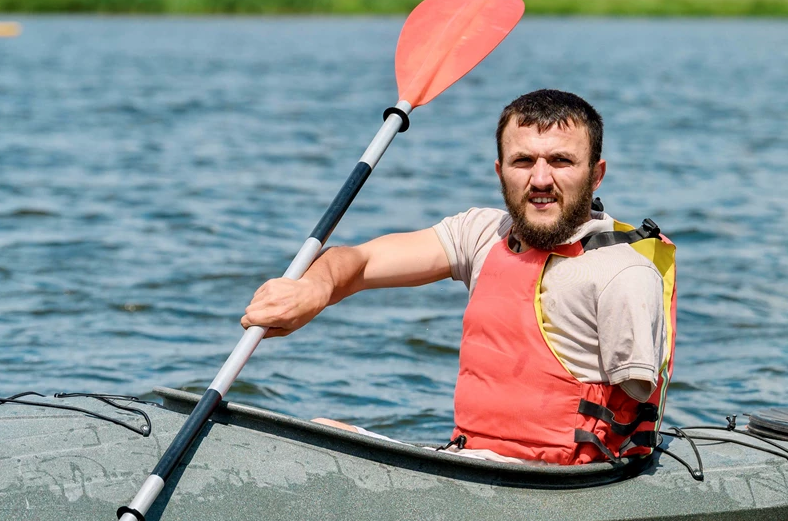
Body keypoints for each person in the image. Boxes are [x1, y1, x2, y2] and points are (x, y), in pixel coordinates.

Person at [242, 89, 676, 465]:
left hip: (556, 482)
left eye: (561, 161)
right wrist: (314, 289)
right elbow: (361, 261)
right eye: (523, 161)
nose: (540, 179)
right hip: (470, 462)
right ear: (499, 171)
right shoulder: (483, 233)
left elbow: (633, 411)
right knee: (322, 433)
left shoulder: (623, 273)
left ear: (596, 173)